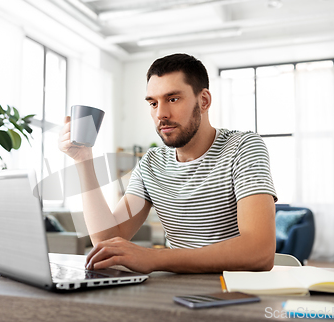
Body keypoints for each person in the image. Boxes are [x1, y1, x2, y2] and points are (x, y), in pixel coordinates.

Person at [58, 53, 277, 274]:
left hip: (235, 292)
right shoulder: (151, 164)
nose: (161, 114)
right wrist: (83, 160)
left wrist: (156, 257)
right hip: (173, 290)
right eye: (153, 103)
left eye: (172, 99)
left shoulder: (243, 148)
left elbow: (259, 252)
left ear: (204, 101)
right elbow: (107, 242)